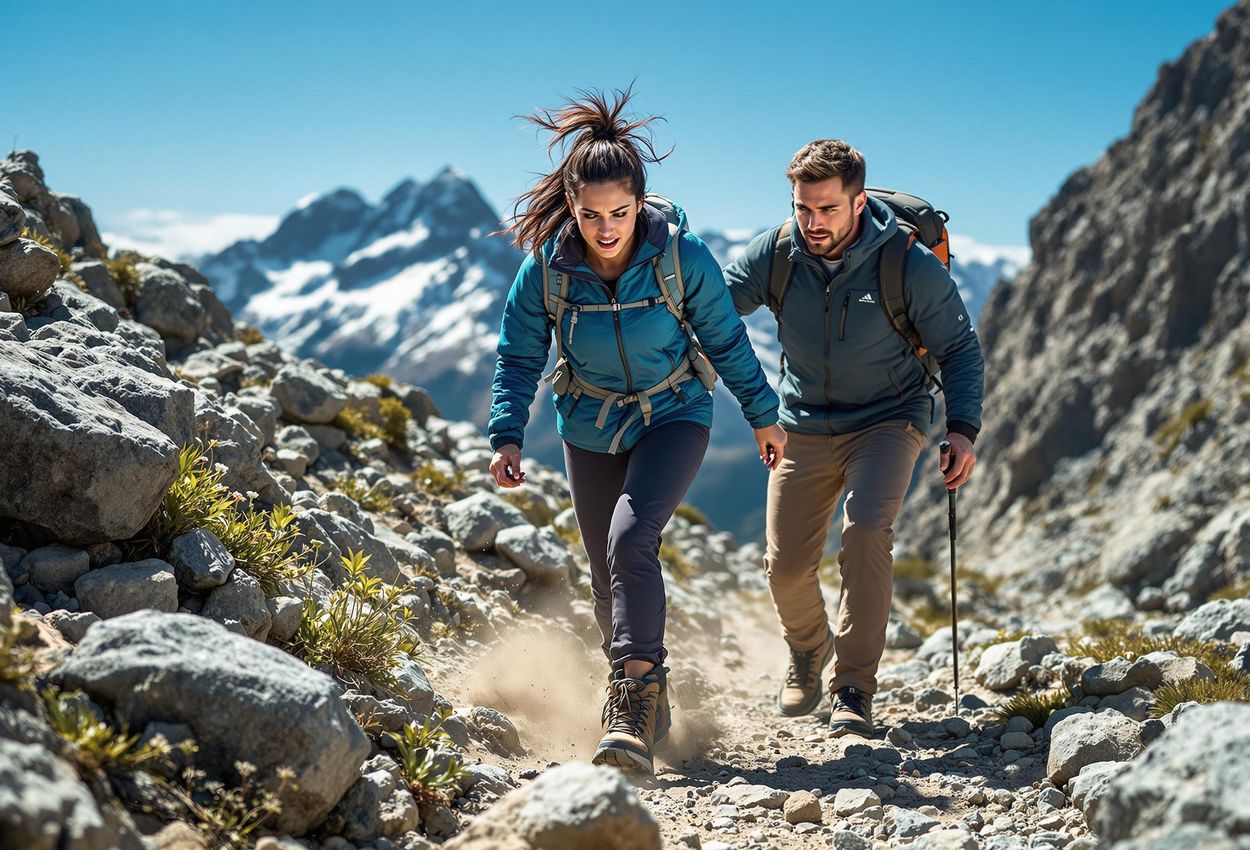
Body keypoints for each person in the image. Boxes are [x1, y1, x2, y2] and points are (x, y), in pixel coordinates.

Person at [487, 88, 787, 774]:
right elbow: (519, 353)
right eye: (590, 215)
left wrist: (763, 415)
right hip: (589, 424)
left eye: (620, 213)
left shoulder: (681, 256)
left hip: (674, 413)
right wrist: (507, 434)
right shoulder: (548, 269)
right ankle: (650, 695)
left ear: (641, 203)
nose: (606, 228)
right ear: (571, 208)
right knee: (605, 576)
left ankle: (631, 693)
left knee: (631, 537)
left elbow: (727, 339)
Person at [724, 139, 985, 737]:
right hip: (802, 422)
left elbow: (959, 349)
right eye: (802, 208)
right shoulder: (778, 252)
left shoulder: (906, 264)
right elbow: (717, 306)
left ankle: (854, 690)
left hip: (889, 419)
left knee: (867, 533)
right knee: (786, 567)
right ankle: (808, 651)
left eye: (827, 210)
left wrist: (963, 430)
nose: (813, 223)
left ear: (859, 201)